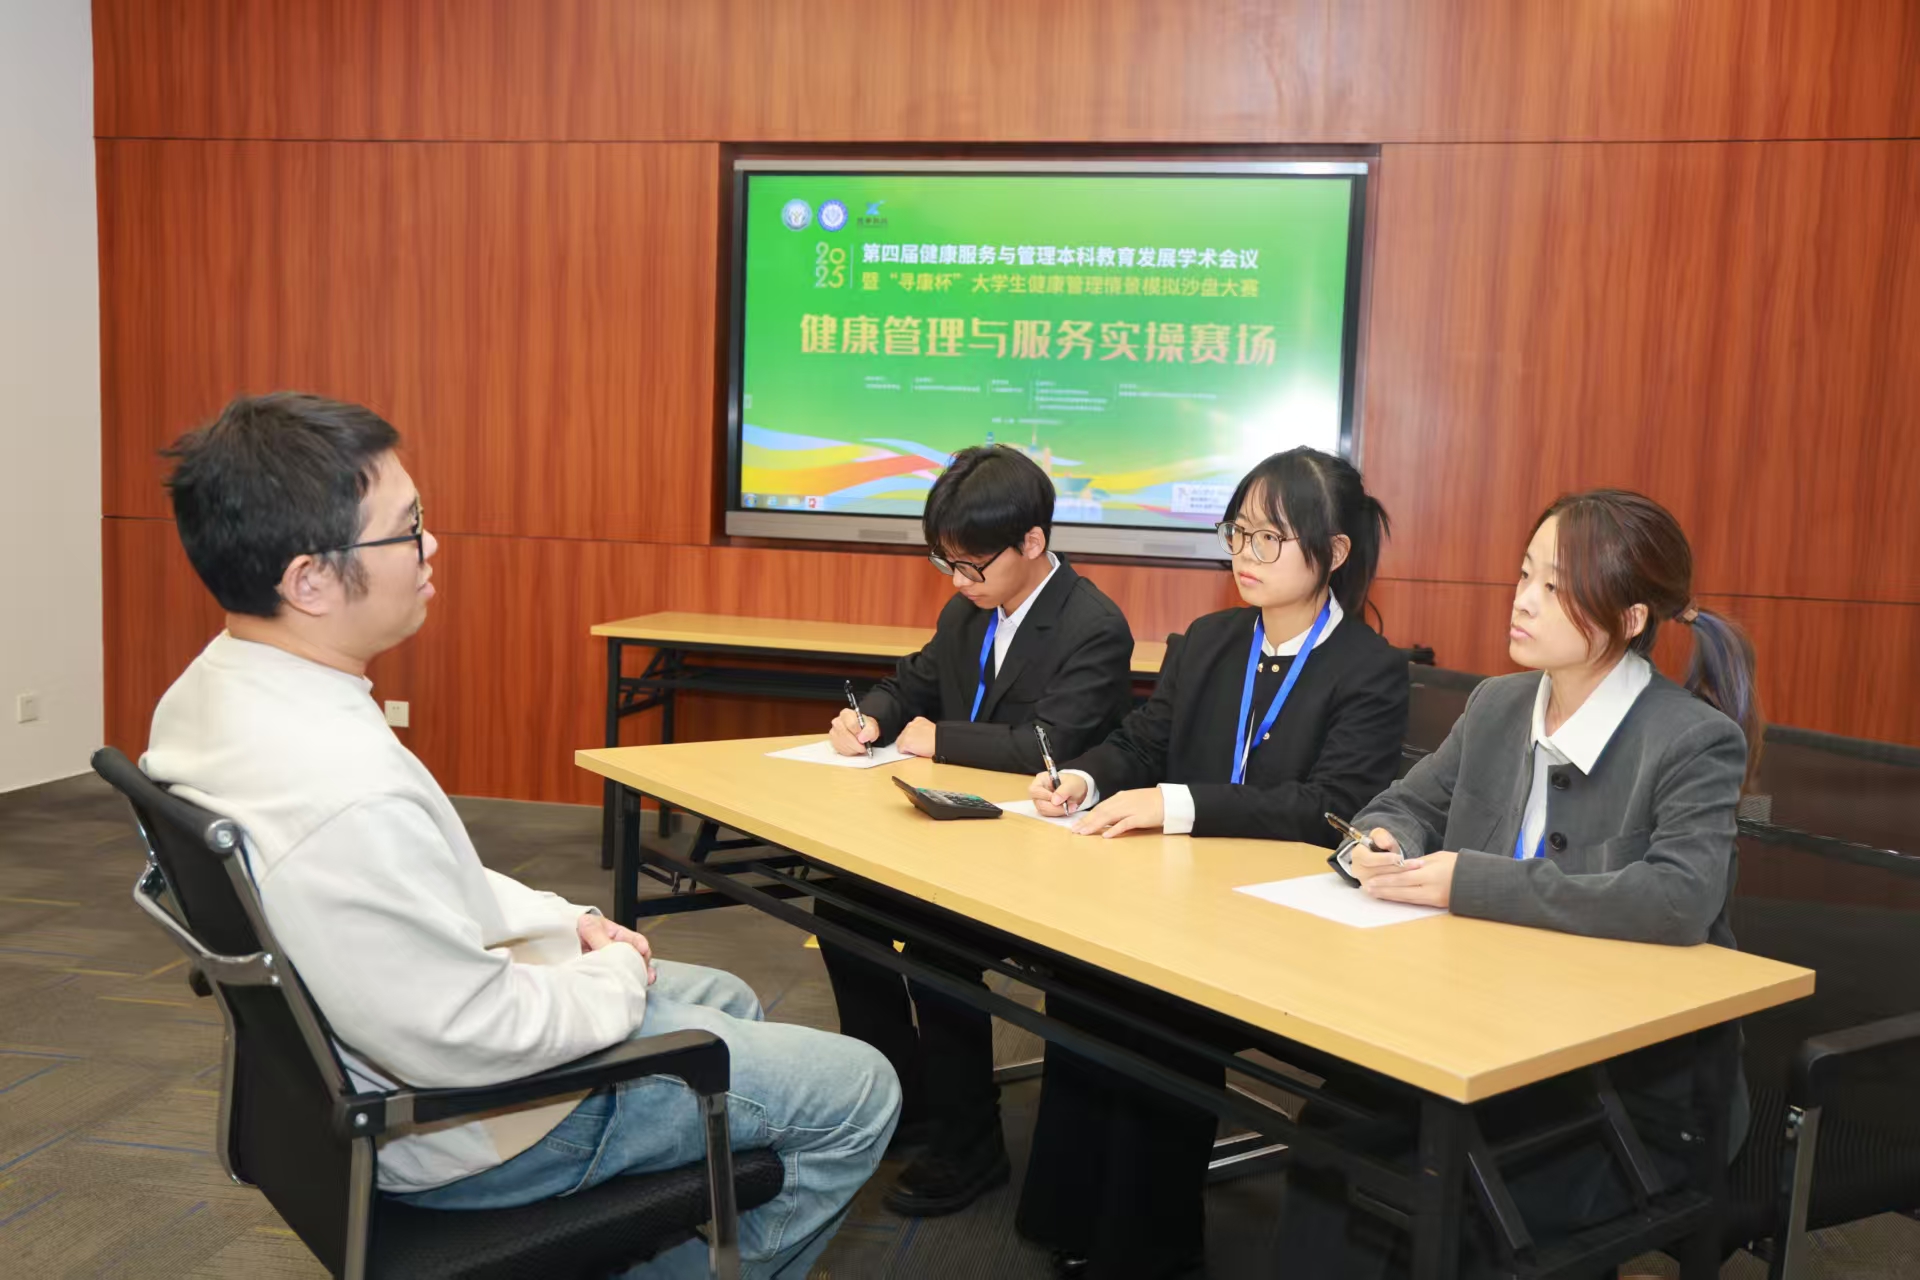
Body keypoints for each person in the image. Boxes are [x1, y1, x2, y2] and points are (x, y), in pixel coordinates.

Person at [141, 393, 899, 1280]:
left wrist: (570, 922)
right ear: (308, 581)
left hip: (370, 1064)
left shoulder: (212, 694)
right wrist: (612, 975)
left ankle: (650, 1228)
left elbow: (422, 881)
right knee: (862, 1091)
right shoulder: (342, 788)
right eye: (407, 529)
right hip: (468, 1130)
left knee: (724, 994)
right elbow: (467, 1034)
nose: (432, 546)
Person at [1290, 488, 1764, 1277]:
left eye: (1555, 585)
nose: (1523, 600)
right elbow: (1403, 805)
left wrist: (1469, 883)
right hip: (1478, 1041)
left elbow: (1679, 901)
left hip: (1630, 1095)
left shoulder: (1691, 739)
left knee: (1473, 1206)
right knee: (1333, 1132)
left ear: (1630, 618)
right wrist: (1382, 842)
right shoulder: (1499, 704)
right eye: (1523, 574)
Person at [1015, 446, 1411, 1279]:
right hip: (1179, 902)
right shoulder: (1209, 640)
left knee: (1158, 1014)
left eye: (1269, 539)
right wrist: (1085, 778)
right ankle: (1069, 1216)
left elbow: (1328, 807)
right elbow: (1143, 742)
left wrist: (1179, 805)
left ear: (1334, 552)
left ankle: (1148, 1250)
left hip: (1283, 924)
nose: (1244, 555)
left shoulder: (1369, 670)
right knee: (1083, 979)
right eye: (1238, 532)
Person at [815, 443, 1136, 1217]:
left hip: (1047, 850)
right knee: (840, 908)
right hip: (959, 834)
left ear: (1033, 541)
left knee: (936, 942)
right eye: (946, 563)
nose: (958, 581)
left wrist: (941, 739)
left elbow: (1050, 742)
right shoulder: (968, 611)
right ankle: (904, 1101)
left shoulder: (1093, 625)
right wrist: (870, 719)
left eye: (971, 565)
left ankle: (971, 1142)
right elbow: (912, 681)